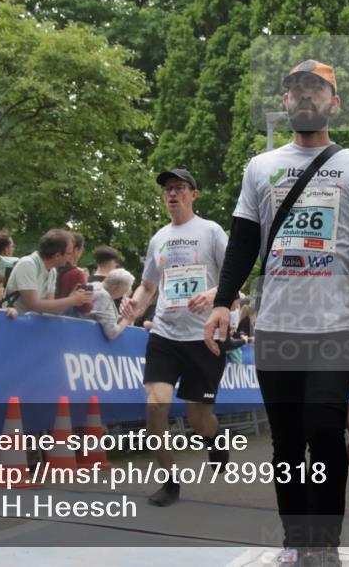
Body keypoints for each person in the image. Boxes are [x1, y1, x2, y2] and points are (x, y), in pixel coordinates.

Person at [204, 59, 349, 565]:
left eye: (317, 90)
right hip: (276, 328)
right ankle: (295, 541)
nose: (306, 97)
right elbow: (242, 243)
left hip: (334, 326)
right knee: (286, 444)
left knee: (324, 431)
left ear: (335, 103)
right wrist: (223, 302)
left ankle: (325, 543)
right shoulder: (260, 167)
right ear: (285, 102)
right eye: (297, 90)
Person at [119, 168, 230, 508]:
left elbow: (232, 279)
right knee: (156, 406)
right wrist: (135, 304)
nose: (172, 194)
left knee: (198, 420)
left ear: (193, 194)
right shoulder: (159, 238)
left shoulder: (211, 232)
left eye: (180, 188)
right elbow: (149, 285)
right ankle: (169, 482)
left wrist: (213, 294)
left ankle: (215, 436)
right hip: (165, 334)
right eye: (168, 189)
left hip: (205, 337)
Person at [3, 229, 91, 315]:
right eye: (69, 254)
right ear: (57, 256)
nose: (70, 258)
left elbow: (50, 308)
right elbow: (33, 305)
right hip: (13, 323)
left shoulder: (52, 270)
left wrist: (71, 299)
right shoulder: (28, 264)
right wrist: (71, 300)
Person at [86, 268, 135, 340]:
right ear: (116, 288)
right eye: (124, 291)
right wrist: (127, 320)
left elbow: (102, 315)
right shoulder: (104, 297)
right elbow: (112, 333)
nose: (123, 295)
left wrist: (121, 318)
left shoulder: (94, 285)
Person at [56, 232, 88, 300]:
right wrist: (84, 282)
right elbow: (85, 306)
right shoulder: (76, 273)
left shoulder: (52, 268)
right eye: (81, 250)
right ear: (76, 250)